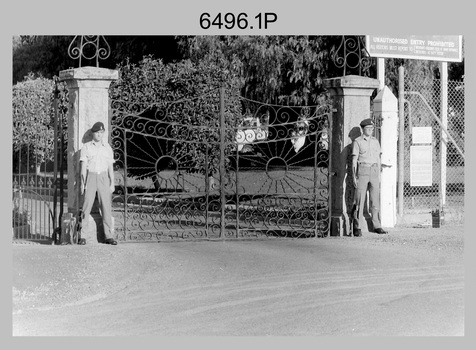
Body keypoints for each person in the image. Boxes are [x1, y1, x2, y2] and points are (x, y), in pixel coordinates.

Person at [79, 121, 117, 245]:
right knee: (86, 206)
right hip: (91, 176)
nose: (99, 135)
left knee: (106, 206)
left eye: (101, 132)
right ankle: (82, 236)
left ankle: (108, 236)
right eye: (97, 132)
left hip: (103, 177)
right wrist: (82, 183)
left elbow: (110, 167)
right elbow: (83, 167)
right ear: (93, 133)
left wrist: (112, 183)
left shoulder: (107, 148)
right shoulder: (86, 147)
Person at [351, 118, 388, 236]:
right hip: (362, 170)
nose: (370, 130)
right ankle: (357, 226)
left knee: (375, 200)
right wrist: (354, 176)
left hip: (374, 170)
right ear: (363, 129)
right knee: (359, 200)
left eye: (372, 128)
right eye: (368, 128)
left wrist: (379, 174)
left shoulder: (375, 141)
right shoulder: (358, 141)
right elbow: (354, 160)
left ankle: (377, 225)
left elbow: (378, 158)